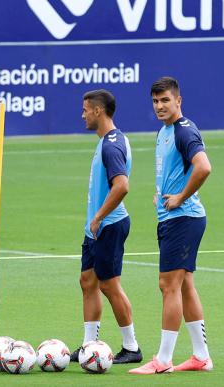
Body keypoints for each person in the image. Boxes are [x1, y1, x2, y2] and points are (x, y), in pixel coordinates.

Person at [129, 77, 213, 375]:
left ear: (179, 100)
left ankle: (163, 361)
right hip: (175, 219)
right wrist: (164, 191)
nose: (159, 106)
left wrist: (180, 196)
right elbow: (179, 170)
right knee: (184, 285)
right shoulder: (164, 132)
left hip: (183, 219)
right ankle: (201, 357)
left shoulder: (184, 130)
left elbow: (203, 167)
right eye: (155, 101)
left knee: (168, 285)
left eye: (165, 100)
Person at [70, 90, 143, 365]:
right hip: (95, 228)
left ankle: (132, 346)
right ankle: (90, 345)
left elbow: (122, 186)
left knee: (109, 286)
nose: (83, 114)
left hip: (108, 225)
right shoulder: (109, 140)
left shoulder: (112, 144)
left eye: (86, 109)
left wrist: (99, 216)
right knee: (87, 282)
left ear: (98, 111)